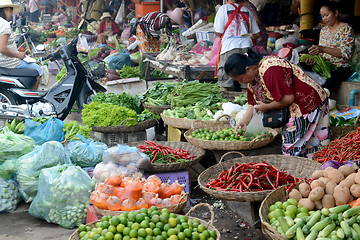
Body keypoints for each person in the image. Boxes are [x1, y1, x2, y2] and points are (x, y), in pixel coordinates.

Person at [225, 51, 329, 158]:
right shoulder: (252, 80)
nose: (241, 82)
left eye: (240, 79)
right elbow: (252, 105)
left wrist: (267, 107)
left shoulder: (270, 69)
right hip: (295, 107)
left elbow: (288, 98)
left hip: (307, 102)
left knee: (293, 148)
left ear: (248, 69)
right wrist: (243, 122)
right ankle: (309, 170)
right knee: (305, 146)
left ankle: (311, 168)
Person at [304, 1, 354, 94]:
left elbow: (346, 53)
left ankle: (323, 98)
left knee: (328, 85)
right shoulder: (324, 30)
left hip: (340, 67)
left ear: (335, 13)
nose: (324, 19)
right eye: (322, 16)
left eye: (326, 15)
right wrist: (313, 60)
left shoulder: (345, 28)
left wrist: (323, 49)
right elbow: (321, 54)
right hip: (325, 66)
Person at [214, 0, 260, 91]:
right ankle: (245, 98)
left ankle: (226, 99)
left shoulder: (223, 8)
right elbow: (257, 33)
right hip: (246, 46)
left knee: (226, 81)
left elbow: (218, 31)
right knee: (246, 79)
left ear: (226, 0)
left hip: (229, 46)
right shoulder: (247, 10)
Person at [0, 0, 42, 90]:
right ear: (7, 9)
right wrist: (17, 54)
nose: (11, 14)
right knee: (38, 69)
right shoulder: (4, 24)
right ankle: (32, 97)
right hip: (8, 62)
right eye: (11, 11)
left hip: (3, 61)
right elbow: (2, 48)